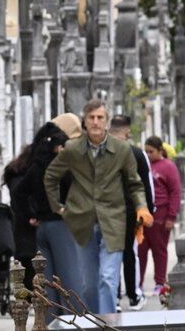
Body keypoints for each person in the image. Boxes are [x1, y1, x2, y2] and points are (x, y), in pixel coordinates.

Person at [43, 99, 152, 315]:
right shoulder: (73, 149)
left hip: (113, 221)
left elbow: (135, 184)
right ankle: (95, 324)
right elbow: (51, 176)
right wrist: (58, 207)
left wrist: (142, 207)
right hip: (82, 222)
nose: (95, 122)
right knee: (90, 284)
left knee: (108, 279)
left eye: (100, 117)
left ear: (107, 121)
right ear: (84, 121)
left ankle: (107, 328)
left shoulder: (121, 150)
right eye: (91, 117)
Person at [1, 119, 70, 286]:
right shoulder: (40, 166)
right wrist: (33, 215)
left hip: (31, 232)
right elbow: (20, 193)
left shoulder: (32, 163)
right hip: (33, 233)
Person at [111, 115, 154, 307]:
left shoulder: (103, 152)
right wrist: (149, 209)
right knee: (130, 252)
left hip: (108, 210)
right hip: (131, 210)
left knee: (111, 254)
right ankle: (134, 296)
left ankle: (114, 298)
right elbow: (146, 183)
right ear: (127, 131)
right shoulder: (137, 153)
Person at [140, 136, 183, 295]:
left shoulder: (168, 167)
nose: (148, 155)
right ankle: (138, 283)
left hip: (161, 214)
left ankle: (159, 282)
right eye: (146, 151)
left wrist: (171, 216)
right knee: (141, 250)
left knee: (159, 250)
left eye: (151, 151)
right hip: (144, 214)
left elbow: (175, 192)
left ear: (160, 151)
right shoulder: (143, 165)